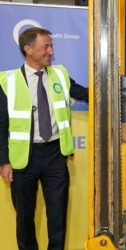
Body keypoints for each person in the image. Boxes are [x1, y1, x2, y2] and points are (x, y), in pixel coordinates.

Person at [0, 27, 88, 250]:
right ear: (28, 49)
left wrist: (112, 85)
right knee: (25, 219)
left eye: (51, 46)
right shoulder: (7, 81)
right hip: (23, 159)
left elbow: (86, 94)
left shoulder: (59, 74)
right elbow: (1, 126)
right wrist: (4, 162)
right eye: (45, 46)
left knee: (58, 216)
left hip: (55, 155)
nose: (51, 51)